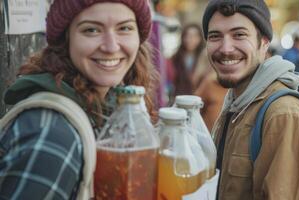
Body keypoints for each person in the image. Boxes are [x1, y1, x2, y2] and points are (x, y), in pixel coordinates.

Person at [0, 0, 158, 199]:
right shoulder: (52, 133)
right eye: (91, 30)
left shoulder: (107, 107)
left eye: (124, 28)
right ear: (66, 40)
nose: (111, 46)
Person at [202, 0, 299, 199]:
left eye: (239, 35)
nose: (226, 48)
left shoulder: (283, 114)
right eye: (215, 36)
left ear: (264, 42)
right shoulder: (238, 103)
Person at [166, 23, 205, 101]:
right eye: (188, 36)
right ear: (183, 37)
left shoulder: (204, 58)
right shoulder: (175, 58)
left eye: (194, 36)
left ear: (200, 38)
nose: (191, 39)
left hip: (198, 101)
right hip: (178, 101)